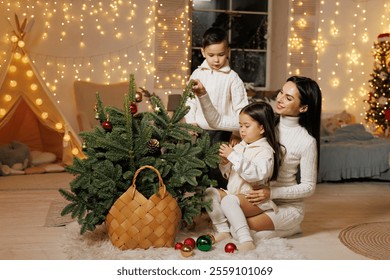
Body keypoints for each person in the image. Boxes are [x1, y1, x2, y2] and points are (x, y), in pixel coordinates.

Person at [216, 76, 322, 250]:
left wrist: (271, 193)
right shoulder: (265, 123)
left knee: (238, 230)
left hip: (285, 206)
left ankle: (290, 226)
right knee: (229, 217)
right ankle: (271, 228)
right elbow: (232, 124)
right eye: (281, 92)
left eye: (289, 98)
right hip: (257, 199)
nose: (279, 99)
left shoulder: (306, 141)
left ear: (303, 108)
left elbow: (309, 187)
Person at [204, 101, 284, 252]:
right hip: (235, 196)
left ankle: (246, 240)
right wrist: (225, 163)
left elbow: (255, 175)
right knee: (209, 193)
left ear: (262, 128)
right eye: (240, 126)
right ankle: (223, 231)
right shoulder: (241, 146)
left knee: (228, 201)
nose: (242, 130)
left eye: (247, 126)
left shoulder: (265, 151)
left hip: (254, 200)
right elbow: (230, 175)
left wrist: (233, 156)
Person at [185, 26, 249, 189]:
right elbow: (189, 101)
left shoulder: (233, 79)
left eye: (221, 55)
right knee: (198, 167)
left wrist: (236, 133)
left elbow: (241, 109)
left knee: (217, 168)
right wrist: (191, 122)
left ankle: (219, 200)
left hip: (222, 132)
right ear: (203, 51)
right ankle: (200, 203)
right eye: (211, 55)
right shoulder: (197, 74)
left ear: (227, 51)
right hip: (199, 130)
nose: (216, 60)